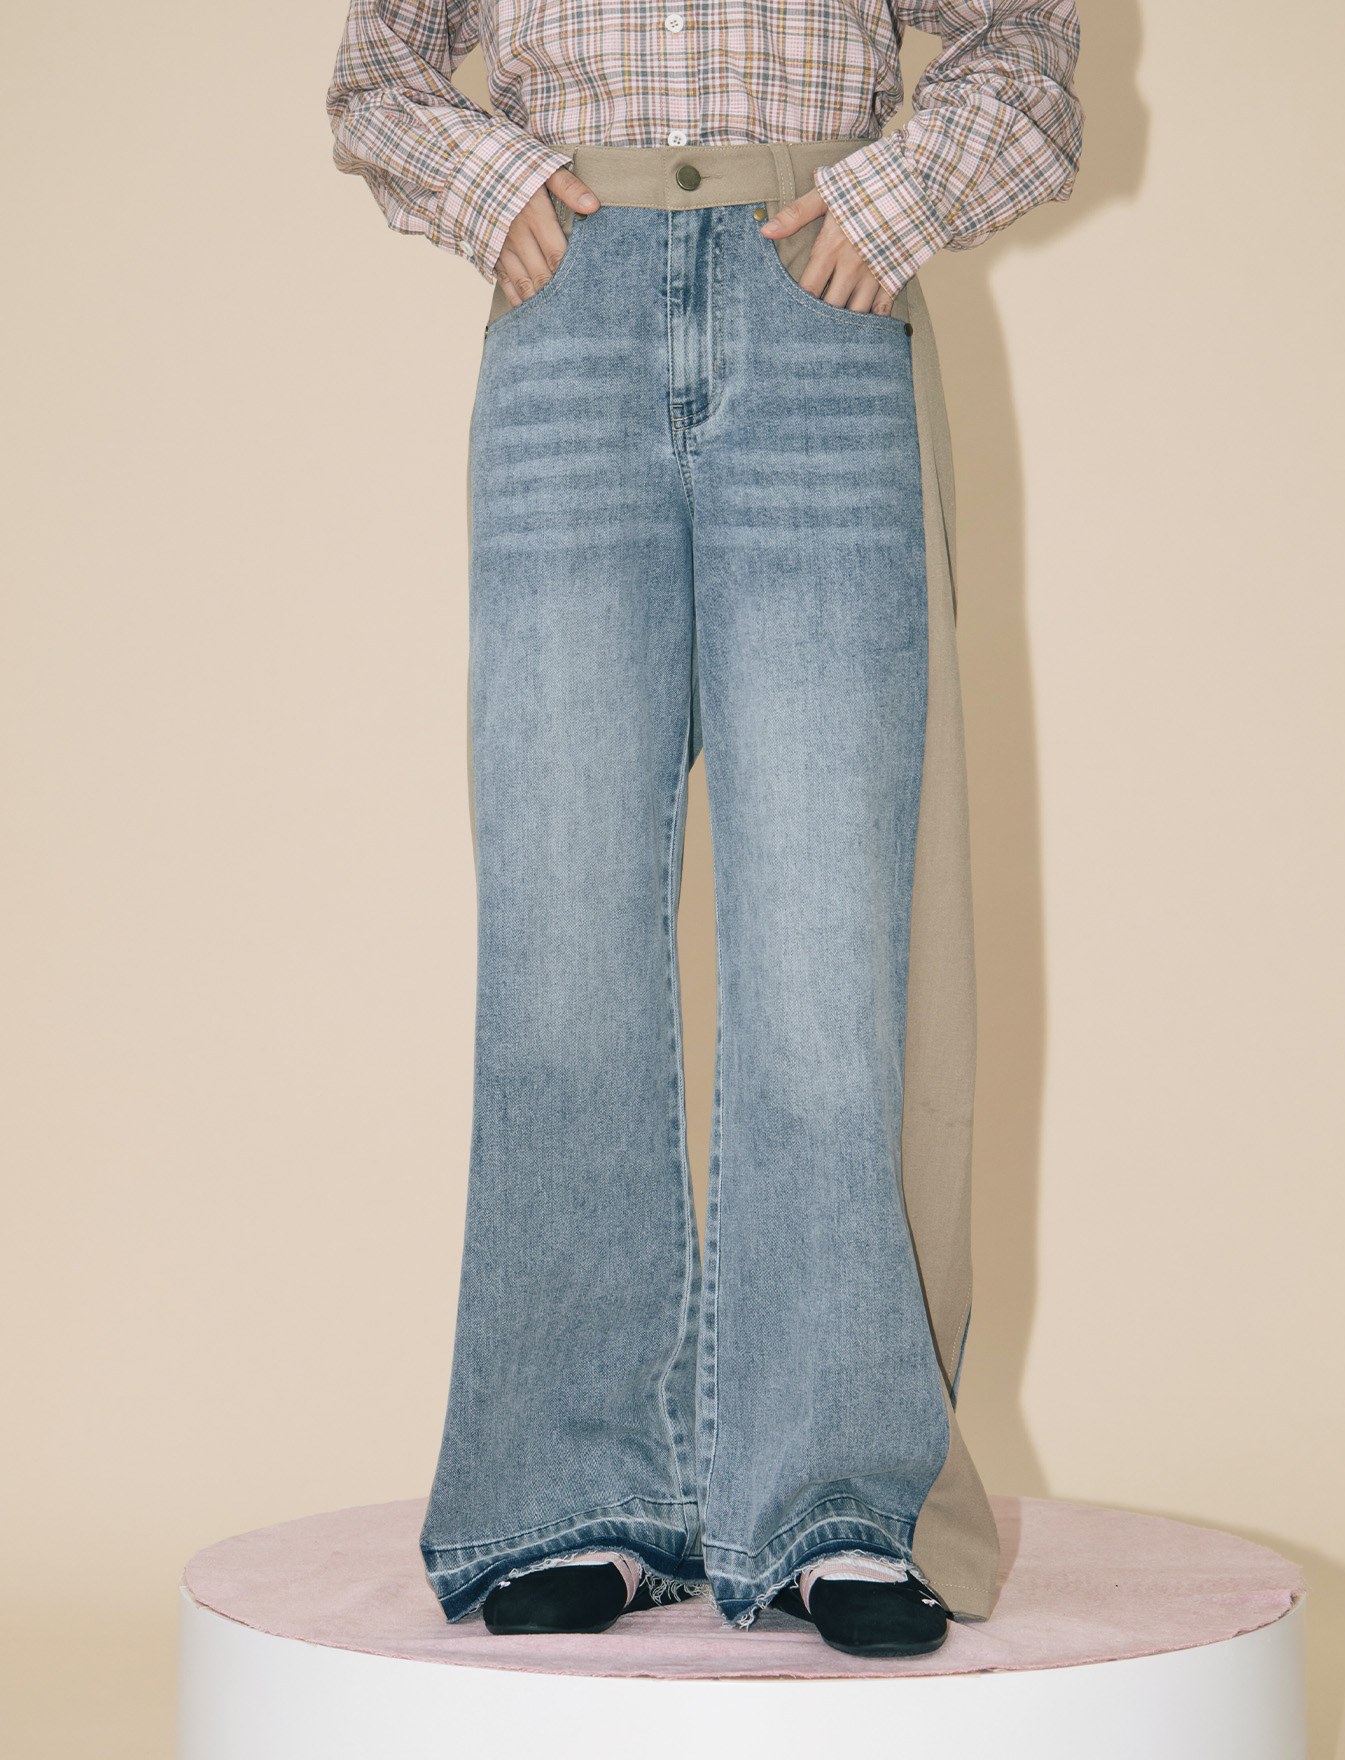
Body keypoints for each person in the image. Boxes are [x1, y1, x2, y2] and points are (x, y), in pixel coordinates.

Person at [325, 0, 1082, 1659]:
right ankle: (575, 1491)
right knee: (562, 943)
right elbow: (378, 65)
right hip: (569, 320)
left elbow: (1025, 45)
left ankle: (834, 1500)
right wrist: (487, 184)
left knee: (827, 955)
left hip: (820, 306)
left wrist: (893, 198)